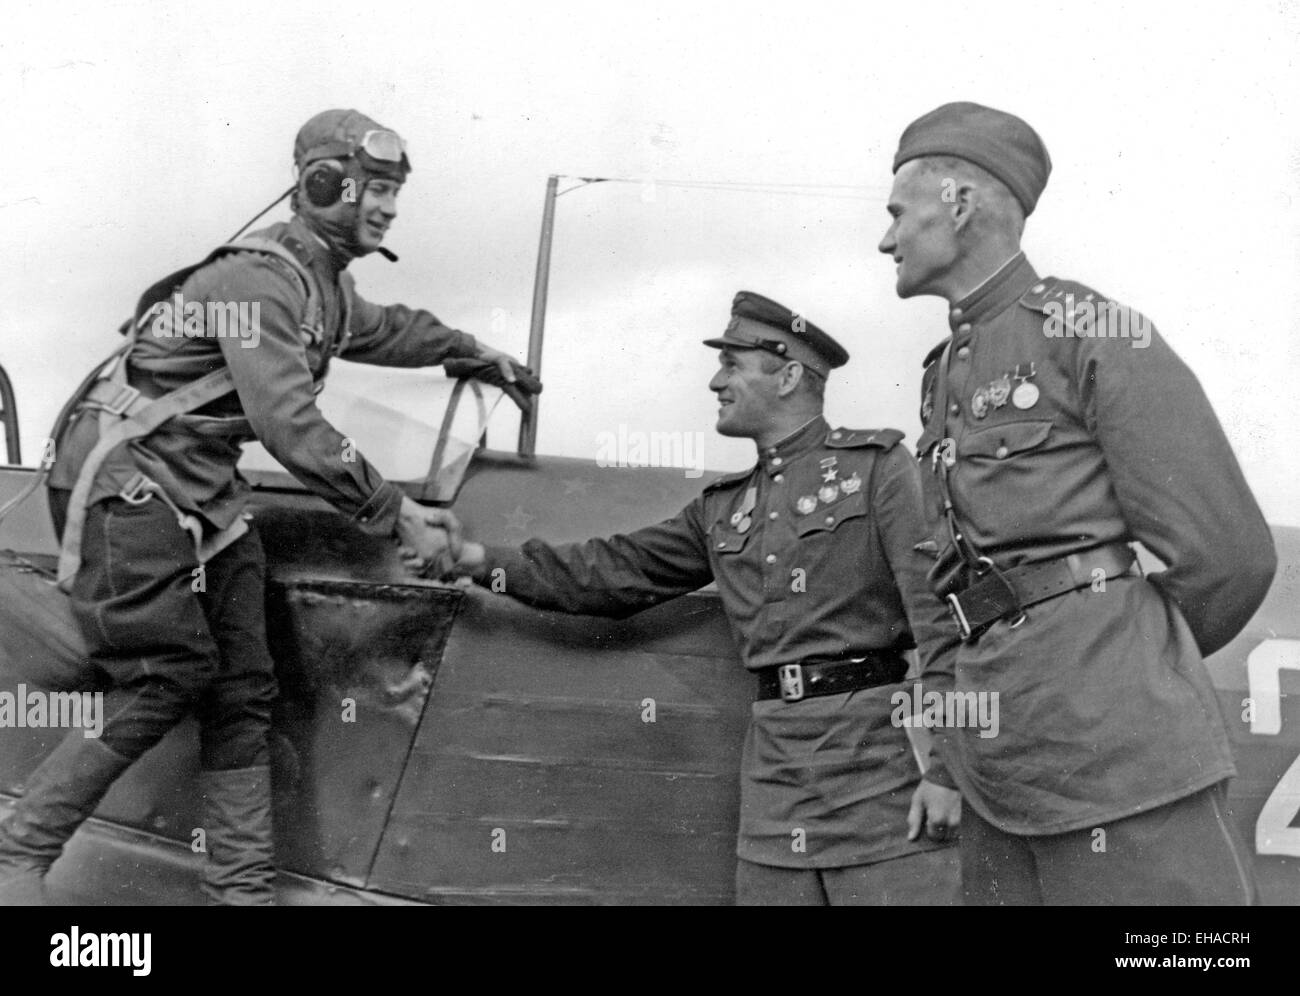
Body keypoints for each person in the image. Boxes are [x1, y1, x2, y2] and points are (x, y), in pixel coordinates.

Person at [0, 108, 534, 905]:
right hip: (131, 487)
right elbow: (291, 424)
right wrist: (397, 513)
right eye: (376, 189)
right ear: (325, 186)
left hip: (202, 496)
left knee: (242, 689)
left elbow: (387, 330)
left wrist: (470, 349)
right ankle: (17, 854)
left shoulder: (319, 285)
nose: (388, 209)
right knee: (164, 676)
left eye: (394, 192)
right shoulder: (257, 278)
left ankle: (239, 895)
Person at [424, 291, 960, 905]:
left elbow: (942, 618)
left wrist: (948, 770)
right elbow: (606, 572)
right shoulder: (722, 508)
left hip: (880, 776)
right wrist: (475, 560)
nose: (716, 381)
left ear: (788, 376)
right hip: (774, 783)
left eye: (733, 364)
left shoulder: (878, 470)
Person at [878, 100, 1276, 904]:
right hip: (1001, 769)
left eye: (897, 213)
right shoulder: (944, 374)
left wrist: (1120, 667)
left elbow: (1229, 556)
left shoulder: (1087, 333)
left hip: (1120, 756)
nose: (885, 238)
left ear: (958, 202)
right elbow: (949, 588)